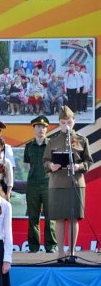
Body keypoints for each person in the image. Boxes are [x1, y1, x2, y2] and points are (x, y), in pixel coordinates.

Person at [42, 107, 93, 261]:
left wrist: (78, 166)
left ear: (74, 121)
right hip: (57, 183)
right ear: (59, 123)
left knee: (73, 218)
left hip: (75, 183)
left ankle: (71, 252)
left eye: (69, 122)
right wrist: (51, 166)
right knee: (59, 218)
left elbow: (88, 161)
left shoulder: (82, 140)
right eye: (63, 123)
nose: (66, 125)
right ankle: (60, 253)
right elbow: (45, 161)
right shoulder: (52, 141)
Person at [24, 116, 56, 253]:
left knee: (50, 217)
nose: (41, 129)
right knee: (33, 217)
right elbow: (29, 165)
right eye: (38, 126)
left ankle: (51, 247)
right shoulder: (28, 146)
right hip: (32, 185)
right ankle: (33, 247)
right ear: (33, 128)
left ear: (47, 129)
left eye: (44, 127)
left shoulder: (52, 145)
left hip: (49, 184)